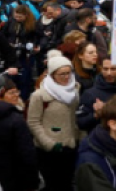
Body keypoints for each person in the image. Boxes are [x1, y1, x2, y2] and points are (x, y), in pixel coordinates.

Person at [27, 53, 80, 191]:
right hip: (48, 150)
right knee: (54, 185)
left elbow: (73, 117)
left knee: (67, 184)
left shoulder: (74, 90)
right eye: (61, 74)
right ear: (51, 75)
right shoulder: (39, 96)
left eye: (68, 73)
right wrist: (49, 144)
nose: (66, 77)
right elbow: (33, 122)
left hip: (70, 146)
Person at [76, 57, 116, 133]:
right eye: (105, 69)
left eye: (113, 69)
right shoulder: (90, 94)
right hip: (101, 141)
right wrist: (96, 114)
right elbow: (81, 123)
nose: (109, 73)